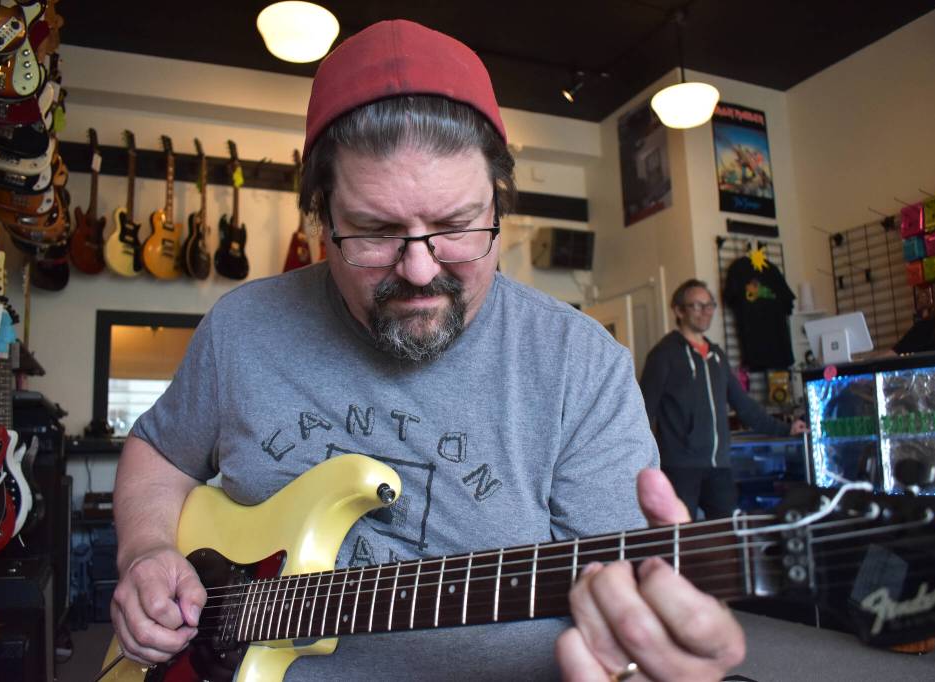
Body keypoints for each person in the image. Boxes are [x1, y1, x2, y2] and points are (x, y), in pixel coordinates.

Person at [110, 21, 744, 681]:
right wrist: (147, 552)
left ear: (500, 202)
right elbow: (158, 453)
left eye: (456, 225)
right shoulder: (242, 327)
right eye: (375, 231)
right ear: (322, 217)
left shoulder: (580, 366)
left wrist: (652, 660)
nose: (418, 270)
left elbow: (625, 613)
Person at [640, 279, 806, 520]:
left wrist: (786, 428)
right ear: (679, 310)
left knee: (726, 534)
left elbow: (744, 405)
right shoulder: (663, 354)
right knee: (679, 537)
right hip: (680, 468)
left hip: (720, 467)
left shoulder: (717, 355)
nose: (705, 312)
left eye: (709, 305)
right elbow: (643, 411)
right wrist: (642, 463)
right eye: (697, 306)